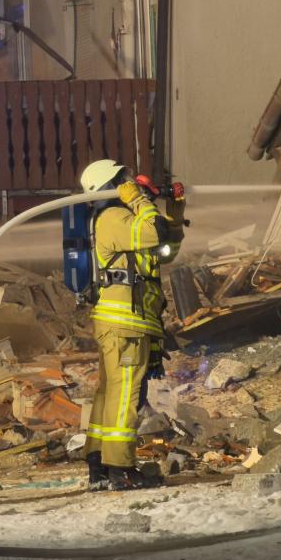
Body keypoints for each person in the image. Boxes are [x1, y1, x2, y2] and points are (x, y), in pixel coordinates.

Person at [79, 159, 186, 490]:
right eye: (123, 180)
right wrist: (139, 200)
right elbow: (153, 230)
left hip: (129, 321)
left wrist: (174, 212)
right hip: (124, 323)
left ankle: (100, 464)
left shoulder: (127, 220)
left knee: (112, 393)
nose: (131, 183)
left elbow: (164, 250)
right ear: (110, 186)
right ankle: (120, 468)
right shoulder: (113, 218)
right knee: (125, 394)